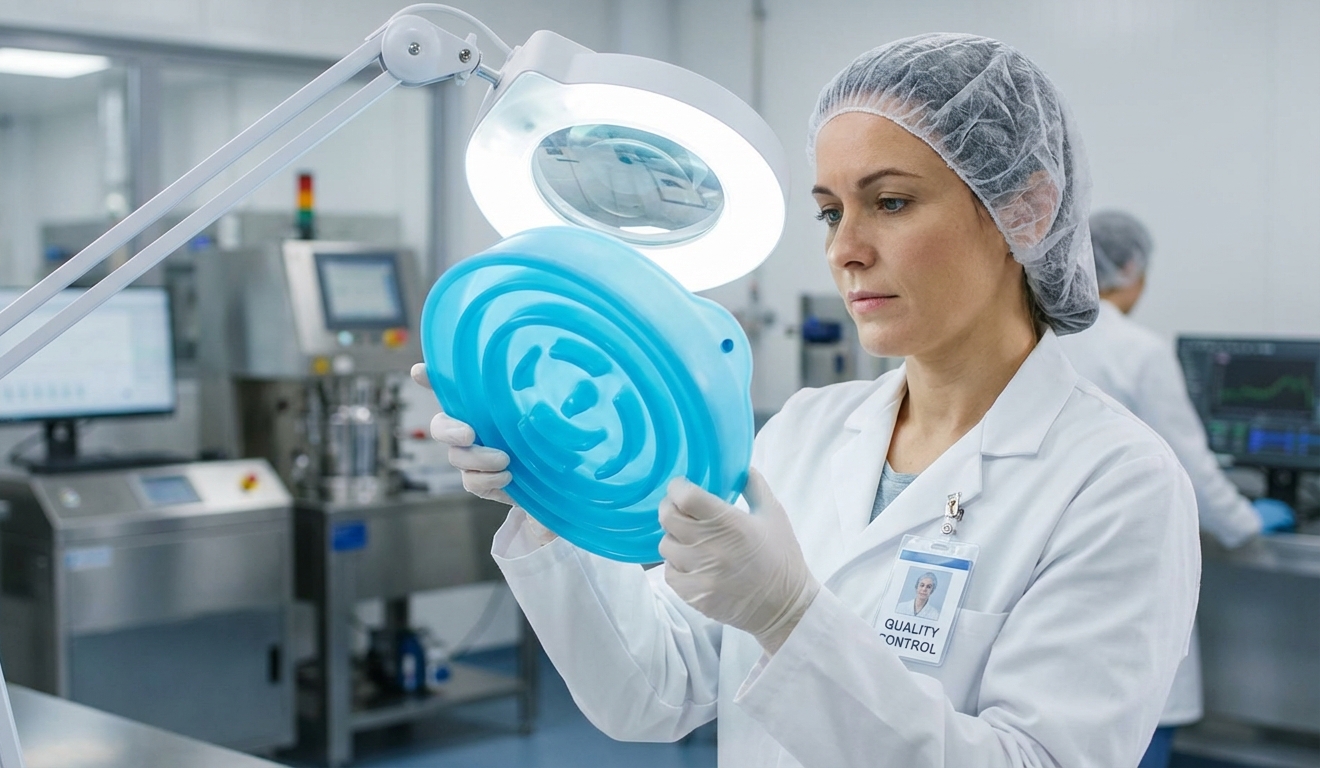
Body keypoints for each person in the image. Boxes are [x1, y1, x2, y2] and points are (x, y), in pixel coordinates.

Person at [416, 33, 1199, 766]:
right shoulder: (804, 432)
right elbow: (650, 695)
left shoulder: (1116, 481)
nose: (843, 248)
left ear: (1023, 210)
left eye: (889, 202)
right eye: (831, 211)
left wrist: (790, 619)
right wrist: (553, 495)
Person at [1059, 209, 1295, 768]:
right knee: (1139, 723)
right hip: (1128, 572)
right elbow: (1192, 472)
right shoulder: (1138, 351)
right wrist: (1247, 521)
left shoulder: (1040, 337)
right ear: (1132, 268)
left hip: (1055, 572)